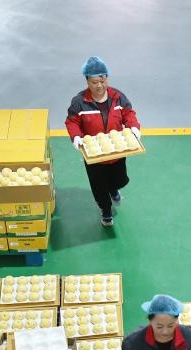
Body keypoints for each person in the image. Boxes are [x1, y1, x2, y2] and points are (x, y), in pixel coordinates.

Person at [65, 56, 142, 228]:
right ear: (87, 81)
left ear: (106, 78)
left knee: (119, 179)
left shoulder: (117, 97)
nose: (99, 85)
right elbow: (72, 122)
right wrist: (76, 137)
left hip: (117, 152)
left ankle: (113, 189)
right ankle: (105, 210)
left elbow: (129, 114)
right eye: (94, 82)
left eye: (103, 80)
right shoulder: (79, 102)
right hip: (95, 156)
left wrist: (134, 127)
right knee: (99, 186)